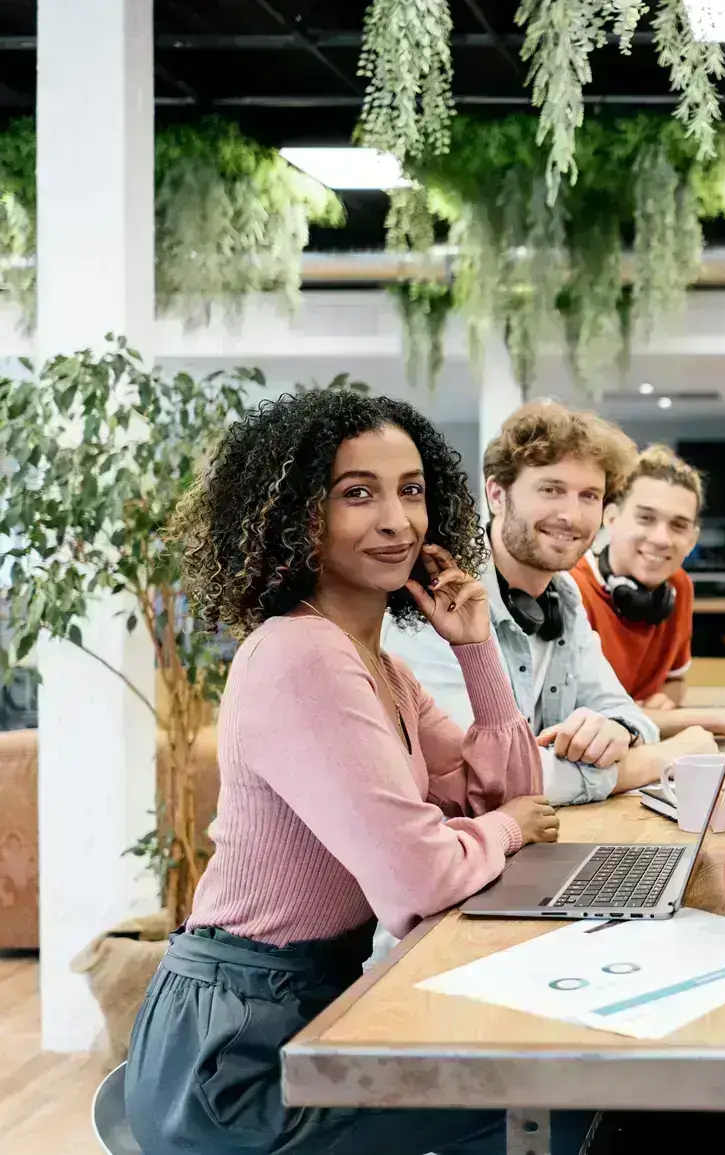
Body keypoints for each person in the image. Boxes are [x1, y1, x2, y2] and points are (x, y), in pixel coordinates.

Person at [126, 390, 591, 1154]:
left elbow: (508, 791)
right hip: (234, 1055)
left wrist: (477, 649)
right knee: (553, 1104)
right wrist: (503, 829)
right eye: (357, 494)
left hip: (306, 1009)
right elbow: (423, 873)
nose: (396, 520)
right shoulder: (299, 655)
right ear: (295, 515)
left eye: (411, 490)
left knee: (552, 1090)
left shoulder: (383, 667)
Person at [385, 401, 709, 805]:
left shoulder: (564, 594)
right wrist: (651, 761)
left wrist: (618, 730)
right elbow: (482, 776)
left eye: (589, 495)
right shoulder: (437, 599)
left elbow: (626, 711)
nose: (572, 515)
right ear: (497, 494)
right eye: (551, 490)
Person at [573, 444, 725, 746]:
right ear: (611, 518)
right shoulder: (572, 589)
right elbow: (585, 718)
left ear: (692, 538)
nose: (661, 539)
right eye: (645, 518)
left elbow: (674, 683)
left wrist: (654, 710)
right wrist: (722, 719)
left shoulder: (678, 585)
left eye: (678, 525)